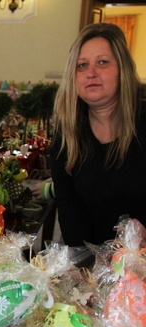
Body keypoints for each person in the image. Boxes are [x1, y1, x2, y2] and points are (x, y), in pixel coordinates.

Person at [50, 22, 146, 247]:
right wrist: (85, 269)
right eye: (82, 65)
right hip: (95, 270)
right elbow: (69, 207)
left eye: (102, 62)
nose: (90, 73)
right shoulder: (66, 136)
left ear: (123, 69)